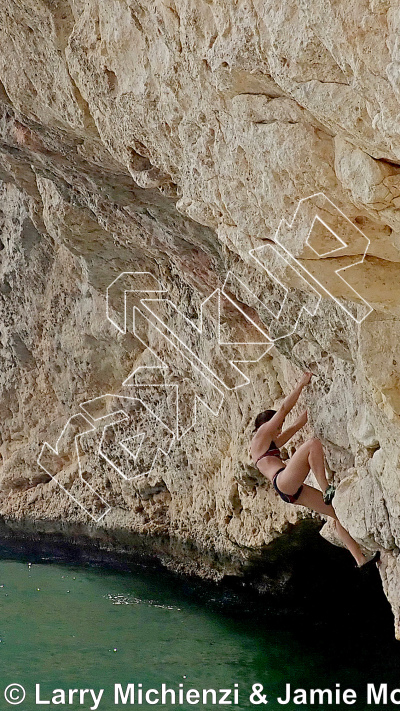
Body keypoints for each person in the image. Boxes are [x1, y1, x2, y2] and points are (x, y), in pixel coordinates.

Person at [249, 372, 380, 568]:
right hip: (282, 481)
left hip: (291, 489)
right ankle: (326, 487)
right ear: (265, 425)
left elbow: (295, 426)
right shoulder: (260, 437)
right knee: (313, 444)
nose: (279, 430)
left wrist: (315, 405)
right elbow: (284, 409)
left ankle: (360, 559)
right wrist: (301, 384)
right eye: (277, 427)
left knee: (336, 513)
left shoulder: (270, 443)